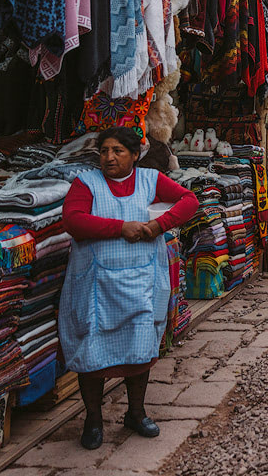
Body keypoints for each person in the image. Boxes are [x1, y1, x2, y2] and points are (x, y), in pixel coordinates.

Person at [59, 127, 199, 450]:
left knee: (140, 352)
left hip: (140, 286)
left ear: (135, 155)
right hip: (97, 288)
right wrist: (121, 228)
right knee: (92, 355)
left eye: (118, 151)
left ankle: (136, 413)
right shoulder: (86, 183)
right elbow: (73, 220)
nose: (109, 157)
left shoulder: (151, 180)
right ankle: (93, 419)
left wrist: (158, 225)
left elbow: (188, 201)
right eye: (105, 151)